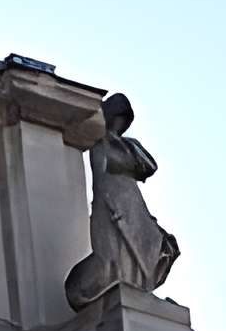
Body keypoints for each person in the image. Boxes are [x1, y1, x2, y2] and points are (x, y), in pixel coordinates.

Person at [64, 92, 181, 305]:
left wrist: (126, 151)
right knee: (112, 254)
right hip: (111, 204)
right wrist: (110, 206)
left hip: (130, 202)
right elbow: (105, 175)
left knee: (152, 247)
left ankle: (139, 289)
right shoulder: (100, 144)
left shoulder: (124, 144)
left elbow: (149, 166)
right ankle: (118, 289)